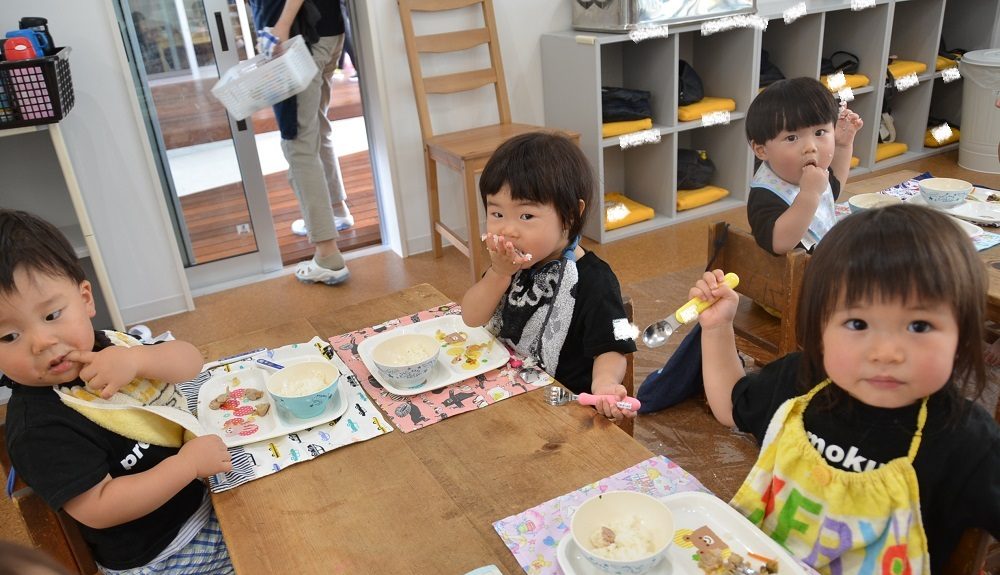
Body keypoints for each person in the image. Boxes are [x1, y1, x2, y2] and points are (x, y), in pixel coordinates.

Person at [694, 204, 1000, 574]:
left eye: (918, 326)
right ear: (820, 327)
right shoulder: (800, 380)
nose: (886, 353)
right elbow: (730, 406)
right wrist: (717, 328)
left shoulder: (968, 441)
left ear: (962, 337)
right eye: (857, 323)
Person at [0, 209, 234, 574]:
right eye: (9, 336)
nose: (42, 341)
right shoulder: (38, 428)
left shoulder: (109, 345)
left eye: (51, 315)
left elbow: (190, 362)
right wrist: (187, 465)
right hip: (165, 553)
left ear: (85, 299)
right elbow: (99, 507)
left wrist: (138, 359)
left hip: (206, 491)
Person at [637, 77, 864, 412]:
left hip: (813, 278)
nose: (810, 147)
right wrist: (808, 195)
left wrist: (844, 145)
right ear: (761, 150)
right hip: (791, 295)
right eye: (792, 138)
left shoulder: (811, 176)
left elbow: (836, 186)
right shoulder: (766, 194)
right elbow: (780, 241)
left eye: (821, 132)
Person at [460, 132, 637, 421]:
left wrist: (605, 382)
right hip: (501, 393)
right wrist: (499, 274)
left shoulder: (596, 280)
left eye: (526, 216)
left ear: (570, 215)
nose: (508, 230)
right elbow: (471, 317)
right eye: (497, 214)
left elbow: (614, 345)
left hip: (560, 411)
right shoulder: (507, 265)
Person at [251, 0, 354, 285]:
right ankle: (336, 210)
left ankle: (327, 255)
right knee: (316, 127)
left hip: (299, 39)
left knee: (298, 143)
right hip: (323, 30)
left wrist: (282, 26)